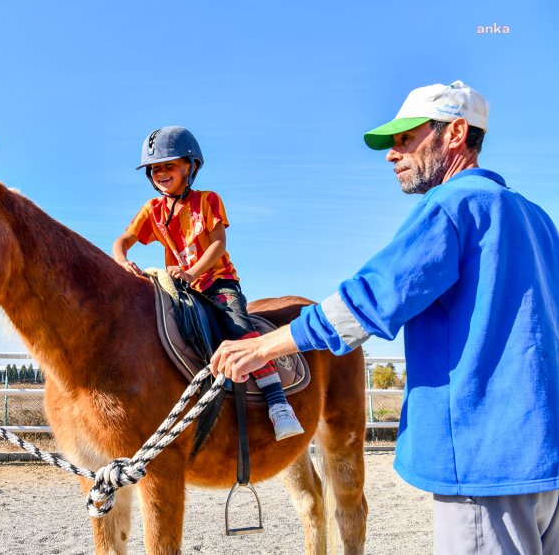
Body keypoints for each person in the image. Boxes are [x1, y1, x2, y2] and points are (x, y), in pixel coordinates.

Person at [211, 81, 559, 553]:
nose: (392, 155)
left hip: (485, 462)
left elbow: (372, 299)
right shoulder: (535, 217)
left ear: (455, 132)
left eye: (405, 138)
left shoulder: (452, 206)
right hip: (545, 456)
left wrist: (262, 346)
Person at [113, 126, 304, 440]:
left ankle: (278, 404)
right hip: (178, 287)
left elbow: (218, 244)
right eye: (155, 168)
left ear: (190, 166)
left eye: (169, 165)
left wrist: (191, 273)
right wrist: (122, 260)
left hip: (216, 283)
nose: (161, 173)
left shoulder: (208, 200)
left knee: (240, 331)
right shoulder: (152, 210)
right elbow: (123, 239)